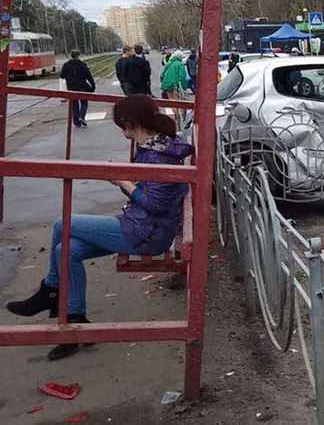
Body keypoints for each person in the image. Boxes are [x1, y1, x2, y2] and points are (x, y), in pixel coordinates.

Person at [5, 95, 193, 360]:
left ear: (130, 123)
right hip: (142, 224)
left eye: (121, 125)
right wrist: (128, 182)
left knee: (63, 223)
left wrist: (122, 182)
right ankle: (75, 320)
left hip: (146, 233)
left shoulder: (158, 155)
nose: (120, 132)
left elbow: (155, 204)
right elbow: (152, 198)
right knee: (65, 251)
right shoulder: (156, 146)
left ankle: (50, 290)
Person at [60, 50, 95, 128]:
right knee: (84, 103)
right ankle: (81, 117)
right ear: (78, 56)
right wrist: (93, 85)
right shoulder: (83, 65)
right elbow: (89, 76)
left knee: (74, 104)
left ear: (71, 55)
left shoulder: (66, 65)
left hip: (71, 88)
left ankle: (76, 122)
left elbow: (62, 76)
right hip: (82, 87)